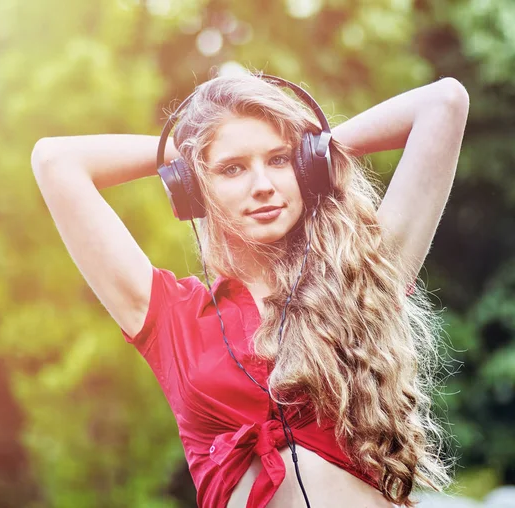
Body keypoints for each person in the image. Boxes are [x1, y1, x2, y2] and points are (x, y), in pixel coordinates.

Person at [30, 71, 469, 507]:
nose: (263, 186)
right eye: (232, 168)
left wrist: (317, 150)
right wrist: (183, 157)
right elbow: (55, 161)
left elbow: (444, 103)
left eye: (279, 160)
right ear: (197, 188)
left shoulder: (363, 277)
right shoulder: (169, 316)